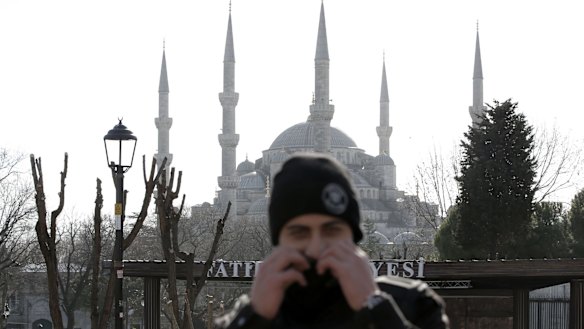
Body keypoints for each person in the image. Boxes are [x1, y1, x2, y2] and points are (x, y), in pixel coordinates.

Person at [217, 153, 449, 329]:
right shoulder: (254, 313)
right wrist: (254, 318)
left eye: (331, 230)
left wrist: (376, 309)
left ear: (353, 236)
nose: (316, 247)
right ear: (279, 241)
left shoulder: (413, 304)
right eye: (300, 233)